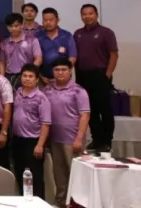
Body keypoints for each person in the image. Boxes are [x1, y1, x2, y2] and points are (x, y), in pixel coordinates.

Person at [43, 58, 90, 208]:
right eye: (57, 70)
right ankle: (60, 204)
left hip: (72, 140)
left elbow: (85, 115)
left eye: (63, 69)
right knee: (60, 177)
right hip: (55, 139)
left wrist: (79, 139)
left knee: (76, 177)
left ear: (70, 71)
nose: (60, 73)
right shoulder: (48, 90)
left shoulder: (78, 91)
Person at [74, 3, 118, 152]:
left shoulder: (106, 32)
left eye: (90, 13)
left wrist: (108, 74)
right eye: (84, 14)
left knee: (104, 109)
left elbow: (114, 54)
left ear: (96, 15)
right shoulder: (78, 33)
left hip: (100, 75)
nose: (87, 16)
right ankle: (96, 139)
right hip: (82, 76)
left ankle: (106, 141)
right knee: (88, 110)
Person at [12, 64, 51, 200]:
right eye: (25, 76)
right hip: (17, 140)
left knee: (35, 176)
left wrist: (40, 145)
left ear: (36, 80)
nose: (27, 79)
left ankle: (38, 202)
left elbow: (46, 124)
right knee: (19, 173)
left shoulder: (41, 98)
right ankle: (24, 201)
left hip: (33, 141)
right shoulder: (17, 93)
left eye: (30, 76)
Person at [0, 13, 42, 88]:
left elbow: (38, 59)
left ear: (22, 25)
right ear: (7, 27)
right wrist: (2, 79)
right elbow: (2, 62)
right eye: (10, 26)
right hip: (9, 77)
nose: (13, 29)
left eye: (16, 26)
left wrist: (29, 71)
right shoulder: (4, 43)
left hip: (27, 77)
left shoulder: (32, 40)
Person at [36, 8, 77, 85]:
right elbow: (34, 59)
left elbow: (73, 57)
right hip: (43, 81)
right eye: (45, 20)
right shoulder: (37, 37)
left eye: (51, 20)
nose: (48, 22)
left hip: (64, 80)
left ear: (57, 20)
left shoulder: (67, 36)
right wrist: (40, 77)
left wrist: (62, 75)